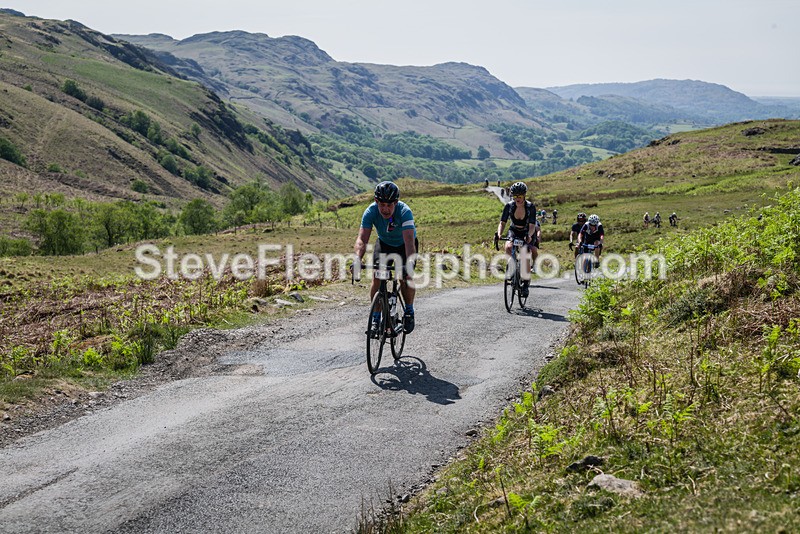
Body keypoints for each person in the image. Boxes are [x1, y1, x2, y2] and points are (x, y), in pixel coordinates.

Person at [354, 181, 418, 334]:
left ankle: (409, 311)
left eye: (389, 205)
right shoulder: (370, 212)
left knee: (405, 277)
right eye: (382, 204)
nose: (385, 209)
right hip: (384, 244)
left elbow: (410, 242)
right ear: (376, 201)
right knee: (377, 276)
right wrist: (357, 259)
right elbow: (362, 239)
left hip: (404, 245)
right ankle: (375, 319)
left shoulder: (405, 212)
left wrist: (409, 264)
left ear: (396, 202)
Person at [496, 182, 537, 298]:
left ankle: (525, 282)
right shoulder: (509, 206)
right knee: (508, 247)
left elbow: (532, 226)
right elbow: (502, 222)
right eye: (515, 196)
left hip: (526, 231)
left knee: (526, 254)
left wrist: (529, 235)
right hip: (514, 230)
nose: (517, 199)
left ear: (524, 196)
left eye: (519, 196)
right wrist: (499, 233)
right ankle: (512, 267)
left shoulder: (530, 207)